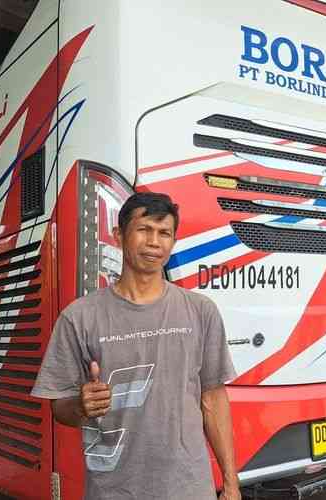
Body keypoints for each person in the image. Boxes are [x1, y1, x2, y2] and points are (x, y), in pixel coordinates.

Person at [32, 192, 240, 500]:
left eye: (164, 233)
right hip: (113, 490)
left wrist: (231, 484)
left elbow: (212, 399)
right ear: (118, 235)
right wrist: (80, 405)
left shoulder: (200, 310)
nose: (154, 242)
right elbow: (59, 407)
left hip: (189, 488)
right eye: (144, 230)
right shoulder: (79, 317)